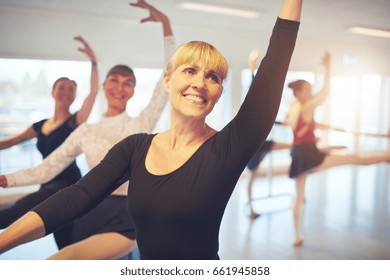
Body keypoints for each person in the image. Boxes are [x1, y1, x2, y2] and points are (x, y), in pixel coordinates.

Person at [0, 0, 302, 260]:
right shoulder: (134, 148)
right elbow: (76, 197)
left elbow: (274, 67)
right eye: (190, 70)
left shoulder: (227, 148)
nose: (200, 82)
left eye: (212, 77)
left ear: (219, 92)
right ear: (167, 80)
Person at [0, 0, 174, 260]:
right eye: (114, 80)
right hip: (90, 210)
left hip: (128, 213)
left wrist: (166, 24)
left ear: (133, 91)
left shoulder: (141, 122)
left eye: (128, 83)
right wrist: (7, 180)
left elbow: (167, 78)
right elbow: (47, 169)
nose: (120, 87)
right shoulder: (86, 130)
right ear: (104, 86)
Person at [0, 36, 99, 249]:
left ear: (74, 96)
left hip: (68, 185)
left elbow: (93, 92)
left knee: (12, 213)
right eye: (61, 87)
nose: (65, 92)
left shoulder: (76, 122)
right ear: (52, 92)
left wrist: (93, 61)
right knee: (65, 242)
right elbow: (11, 141)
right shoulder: (39, 126)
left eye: (70, 89)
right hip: (47, 183)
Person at [286, 52, 390, 247]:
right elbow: (326, 92)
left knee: (299, 196)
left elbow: (303, 132)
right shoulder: (307, 105)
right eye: (308, 89)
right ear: (300, 92)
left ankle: (296, 236)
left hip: (299, 153)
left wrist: (326, 131)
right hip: (310, 154)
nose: (311, 92)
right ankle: (387, 156)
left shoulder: (293, 107)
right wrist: (327, 68)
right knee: (354, 157)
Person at [245, 48, 291, 219]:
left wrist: (282, 123)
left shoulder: (266, 102)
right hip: (253, 145)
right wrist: (251, 63)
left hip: (262, 142)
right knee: (252, 176)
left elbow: (268, 120)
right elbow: (253, 83)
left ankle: (251, 209)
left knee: (292, 146)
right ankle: (251, 209)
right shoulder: (255, 99)